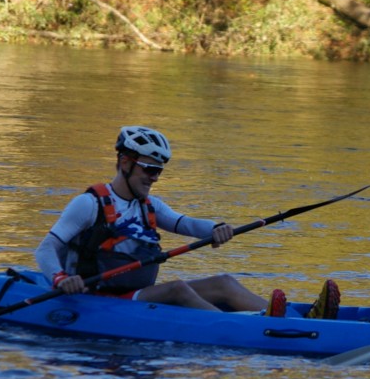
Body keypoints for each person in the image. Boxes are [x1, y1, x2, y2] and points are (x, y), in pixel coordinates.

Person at [35, 125, 340, 318]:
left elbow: (186, 223)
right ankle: (250, 327)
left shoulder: (149, 206)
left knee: (224, 282)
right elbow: (46, 248)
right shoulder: (89, 204)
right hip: (102, 299)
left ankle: (298, 320)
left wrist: (217, 228)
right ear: (125, 163)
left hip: (134, 295)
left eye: (159, 171)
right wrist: (61, 278)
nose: (154, 178)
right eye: (149, 169)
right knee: (177, 289)